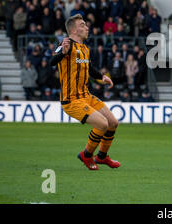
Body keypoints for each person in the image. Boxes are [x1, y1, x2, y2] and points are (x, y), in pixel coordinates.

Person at [49, 14, 121, 171]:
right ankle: (87, 155)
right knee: (102, 124)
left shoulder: (85, 48)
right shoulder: (64, 43)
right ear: (74, 30)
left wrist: (102, 77)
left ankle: (101, 157)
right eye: (82, 25)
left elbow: (89, 69)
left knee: (113, 123)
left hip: (86, 96)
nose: (87, 27)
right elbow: (51, 61)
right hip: (72, 100)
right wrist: (63, 52)